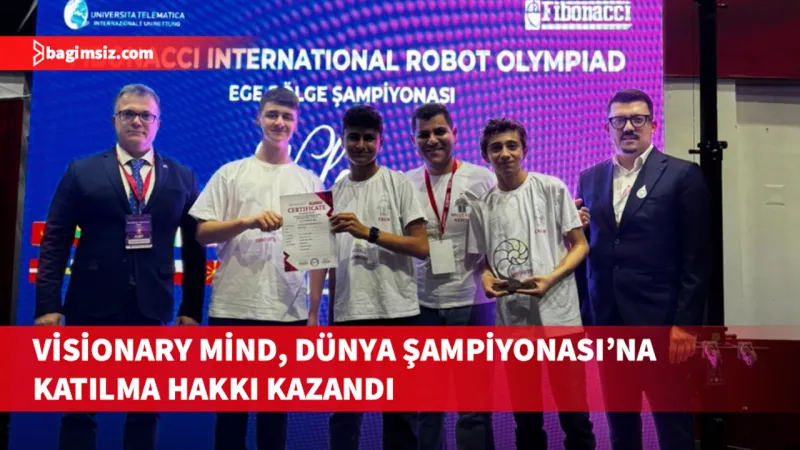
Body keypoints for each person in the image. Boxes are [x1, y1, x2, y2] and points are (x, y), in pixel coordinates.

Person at [34, 83, 207, 450]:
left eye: (146, 115)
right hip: (89, 305)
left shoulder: (183, 177)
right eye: (128, 113)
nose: (137, 121)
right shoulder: (81, 171)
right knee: (79, 409)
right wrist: (48, 304)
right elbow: (55, 241)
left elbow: (195, 249)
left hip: (152, 308)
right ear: (114, 120)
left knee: (145, 410)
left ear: (158, 123)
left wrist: (192, 308)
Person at [188, 86, 326, 450]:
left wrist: (313, 314)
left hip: (287, 312)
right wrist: (247, 221)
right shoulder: (231, 173)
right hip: (233, 308)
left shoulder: (309, 181)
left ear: (296, 123)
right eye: (272, 115)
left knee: (274, 416)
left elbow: (315, 255)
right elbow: (202, 233)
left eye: (287, 117)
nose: (279, 122)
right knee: (230, 415)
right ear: (258, 118)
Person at [575, 88, 709, 450]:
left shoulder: (683, 175)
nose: (629, 127)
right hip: (607, 322)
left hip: (661, 324)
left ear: (653, 125)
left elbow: (696, 257)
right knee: (621, 423)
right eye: (619, 120)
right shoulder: (589, 178)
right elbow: (587, 251)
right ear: (607, 127)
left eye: (638, 119)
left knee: (672, 423)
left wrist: (686, 324)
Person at [466, 118, 596, 450]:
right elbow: (481, 262)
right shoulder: (482, 207)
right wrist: (486, 279)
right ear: (485, 155)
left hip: (560, 318)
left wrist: (551, 278)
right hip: (514, 320)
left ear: (524, 149)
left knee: (575, 415)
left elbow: (580, 245)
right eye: (496, 148)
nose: (505, 154)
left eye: (512, 146)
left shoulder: (551, 188)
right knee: (526, 418)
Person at [326, 104, 429, 450]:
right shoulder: (334, 190)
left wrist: (368, 232)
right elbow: (330, 258)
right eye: (354, 138)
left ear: (381, 141)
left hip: (398, 312)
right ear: (342, 140)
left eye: (369, 138)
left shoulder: (398, 183)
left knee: (401, 415)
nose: (361, 145)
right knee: (345, 415)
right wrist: (329, 314)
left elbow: (421, 246)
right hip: (349, 315)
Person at [404, 103, 497, 450]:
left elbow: (501, 231)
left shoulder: (482, 179)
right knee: (427, 408)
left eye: (440, 131)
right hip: (422, 306)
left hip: (473, 304)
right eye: (424, 134)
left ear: (455, 134)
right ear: (413, 140)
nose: (433, 140)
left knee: (473, 408)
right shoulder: (405, 184)